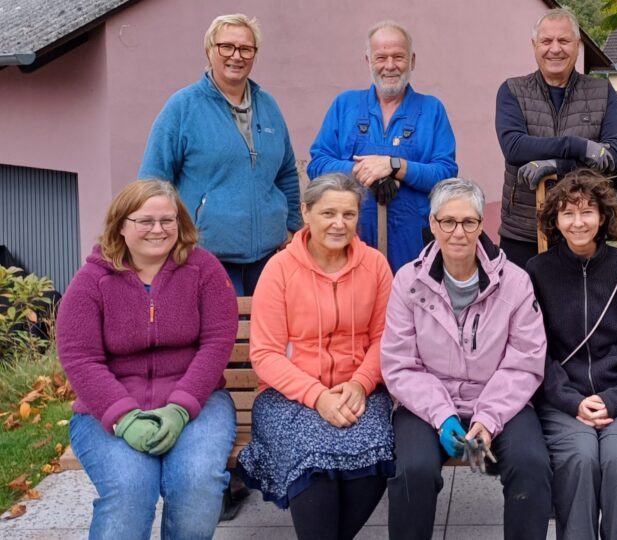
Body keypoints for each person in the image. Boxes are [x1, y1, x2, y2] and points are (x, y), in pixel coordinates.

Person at [56, 179, 238, 539]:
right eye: (145, 221)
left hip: (196, 401)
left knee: (197, 482)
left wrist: (180, 407)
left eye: (167, 220)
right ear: (122, 226)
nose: (158, 229)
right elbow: (80, 358)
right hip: (109, 406)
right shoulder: (92, 279)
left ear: (180, 223)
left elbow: (217, 344)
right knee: (129, 489)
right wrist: (123, 418)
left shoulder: (204, 270)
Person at [381, 178, 551, 540]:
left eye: (469, 222)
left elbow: (525, 360)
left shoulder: (515, 283)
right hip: (426, 403)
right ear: (433, 224)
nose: (458, 232)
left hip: (498, 399)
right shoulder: (408, 282)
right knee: (415, 470)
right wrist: (442, 417)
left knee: (531, 464)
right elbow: (400, 363)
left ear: (480, 225)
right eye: (448, 221)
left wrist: (488, 420)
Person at [238, 173, 394, 539]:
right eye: (328, 213)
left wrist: (360, 383)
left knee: (375, 458)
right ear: (306, 212)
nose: (339, 224)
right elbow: (265, 353)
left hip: (359, 393)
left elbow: (384, 339)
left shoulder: (375, 266)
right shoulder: (279, 269)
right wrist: (317, 396)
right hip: (288, 397)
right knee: (313, 465)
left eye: (349, 214)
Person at [525, 169, 617, 540]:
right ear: (555, 219)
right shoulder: (537, 272)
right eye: (568, 213)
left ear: (603, 217)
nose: (578, 222)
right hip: (562, 400)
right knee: (579, 459)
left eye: (587, 211)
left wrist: (614, 399)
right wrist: (571, 401)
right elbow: (534, 351)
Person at [139, 13, 302, 296]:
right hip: (206, 254)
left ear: (254, 54)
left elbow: (286, 171)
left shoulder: (269, 105)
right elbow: (153, 181)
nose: (236, 56)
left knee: (266, 336)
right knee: (226, 335)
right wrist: (164, 239)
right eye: (226, 46)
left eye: (245, 49)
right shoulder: (183, 107)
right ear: (209, 50)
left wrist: (291, 228)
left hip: (269, 256)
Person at [308, 20, 458, 272]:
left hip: (414, 240)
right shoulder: (345, 105)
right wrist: (366, 170)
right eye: (381, 57)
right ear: (368, 61)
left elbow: (445, 173)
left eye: (398, 57)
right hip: (351, 237)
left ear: (412, 61)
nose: (390, 66)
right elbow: (318, 164)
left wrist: (395, 166)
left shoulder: (431, 109)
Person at [496, 8, 617, 268]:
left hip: (583, 231)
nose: (555, 49)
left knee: (579, 307)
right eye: (546, 41)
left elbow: (614, 157)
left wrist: (556, 166)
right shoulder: (512, 90)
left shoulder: (601, 92)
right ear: (534, 46)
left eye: (564, 41)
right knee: (521, 307)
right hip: (523, 231)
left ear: (577, 45)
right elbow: (514, 148)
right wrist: (577, 146)